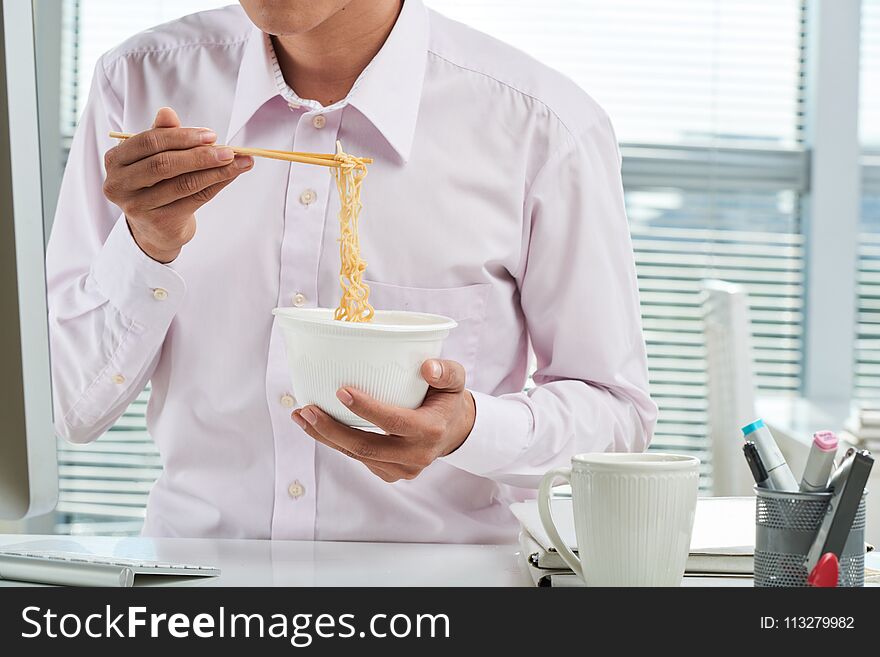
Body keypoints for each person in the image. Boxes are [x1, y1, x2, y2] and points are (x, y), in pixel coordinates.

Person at [47, 0, 657, 542]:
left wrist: (471, 428)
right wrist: (147, 244)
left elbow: (616, 414)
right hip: (195, 591)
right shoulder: (138, 84)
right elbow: (70, 407)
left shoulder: (542, 127)